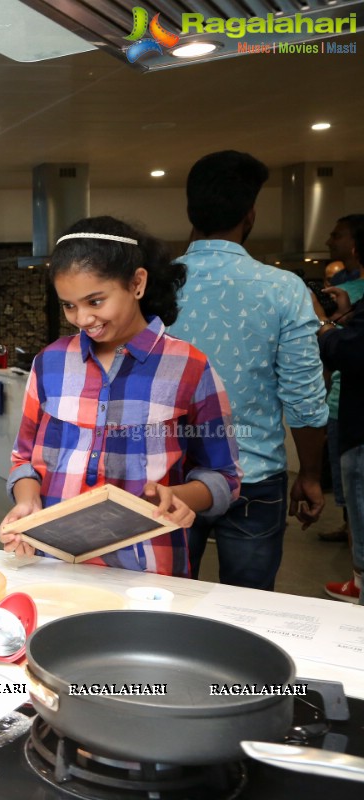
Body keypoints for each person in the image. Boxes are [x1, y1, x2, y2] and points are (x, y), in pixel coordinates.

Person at [0, 216, 240, 578]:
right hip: (51, 562)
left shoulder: (189, 367)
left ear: (137, 283)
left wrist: (183, 497)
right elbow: (23, 459)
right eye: (69, 305)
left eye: (95, 301)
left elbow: (224, 476)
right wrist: (27, 498)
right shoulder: (50, 362)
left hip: (148, 568)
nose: (82, 318)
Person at [169, 150, 328, 591]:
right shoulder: (284, 289)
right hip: (253, 478)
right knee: (248, 611)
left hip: (169, 478)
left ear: (191, 211)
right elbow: (304, 399)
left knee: (165, 604)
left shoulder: (155, 286)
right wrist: (311, 475)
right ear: (250, 215)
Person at [315, 213, 364, 604]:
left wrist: (324, 326)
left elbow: (352, 352)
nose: (330, 240)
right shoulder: (354, 296)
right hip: (344, 409)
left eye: (337, 234)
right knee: (352, 503)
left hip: (359, 422)